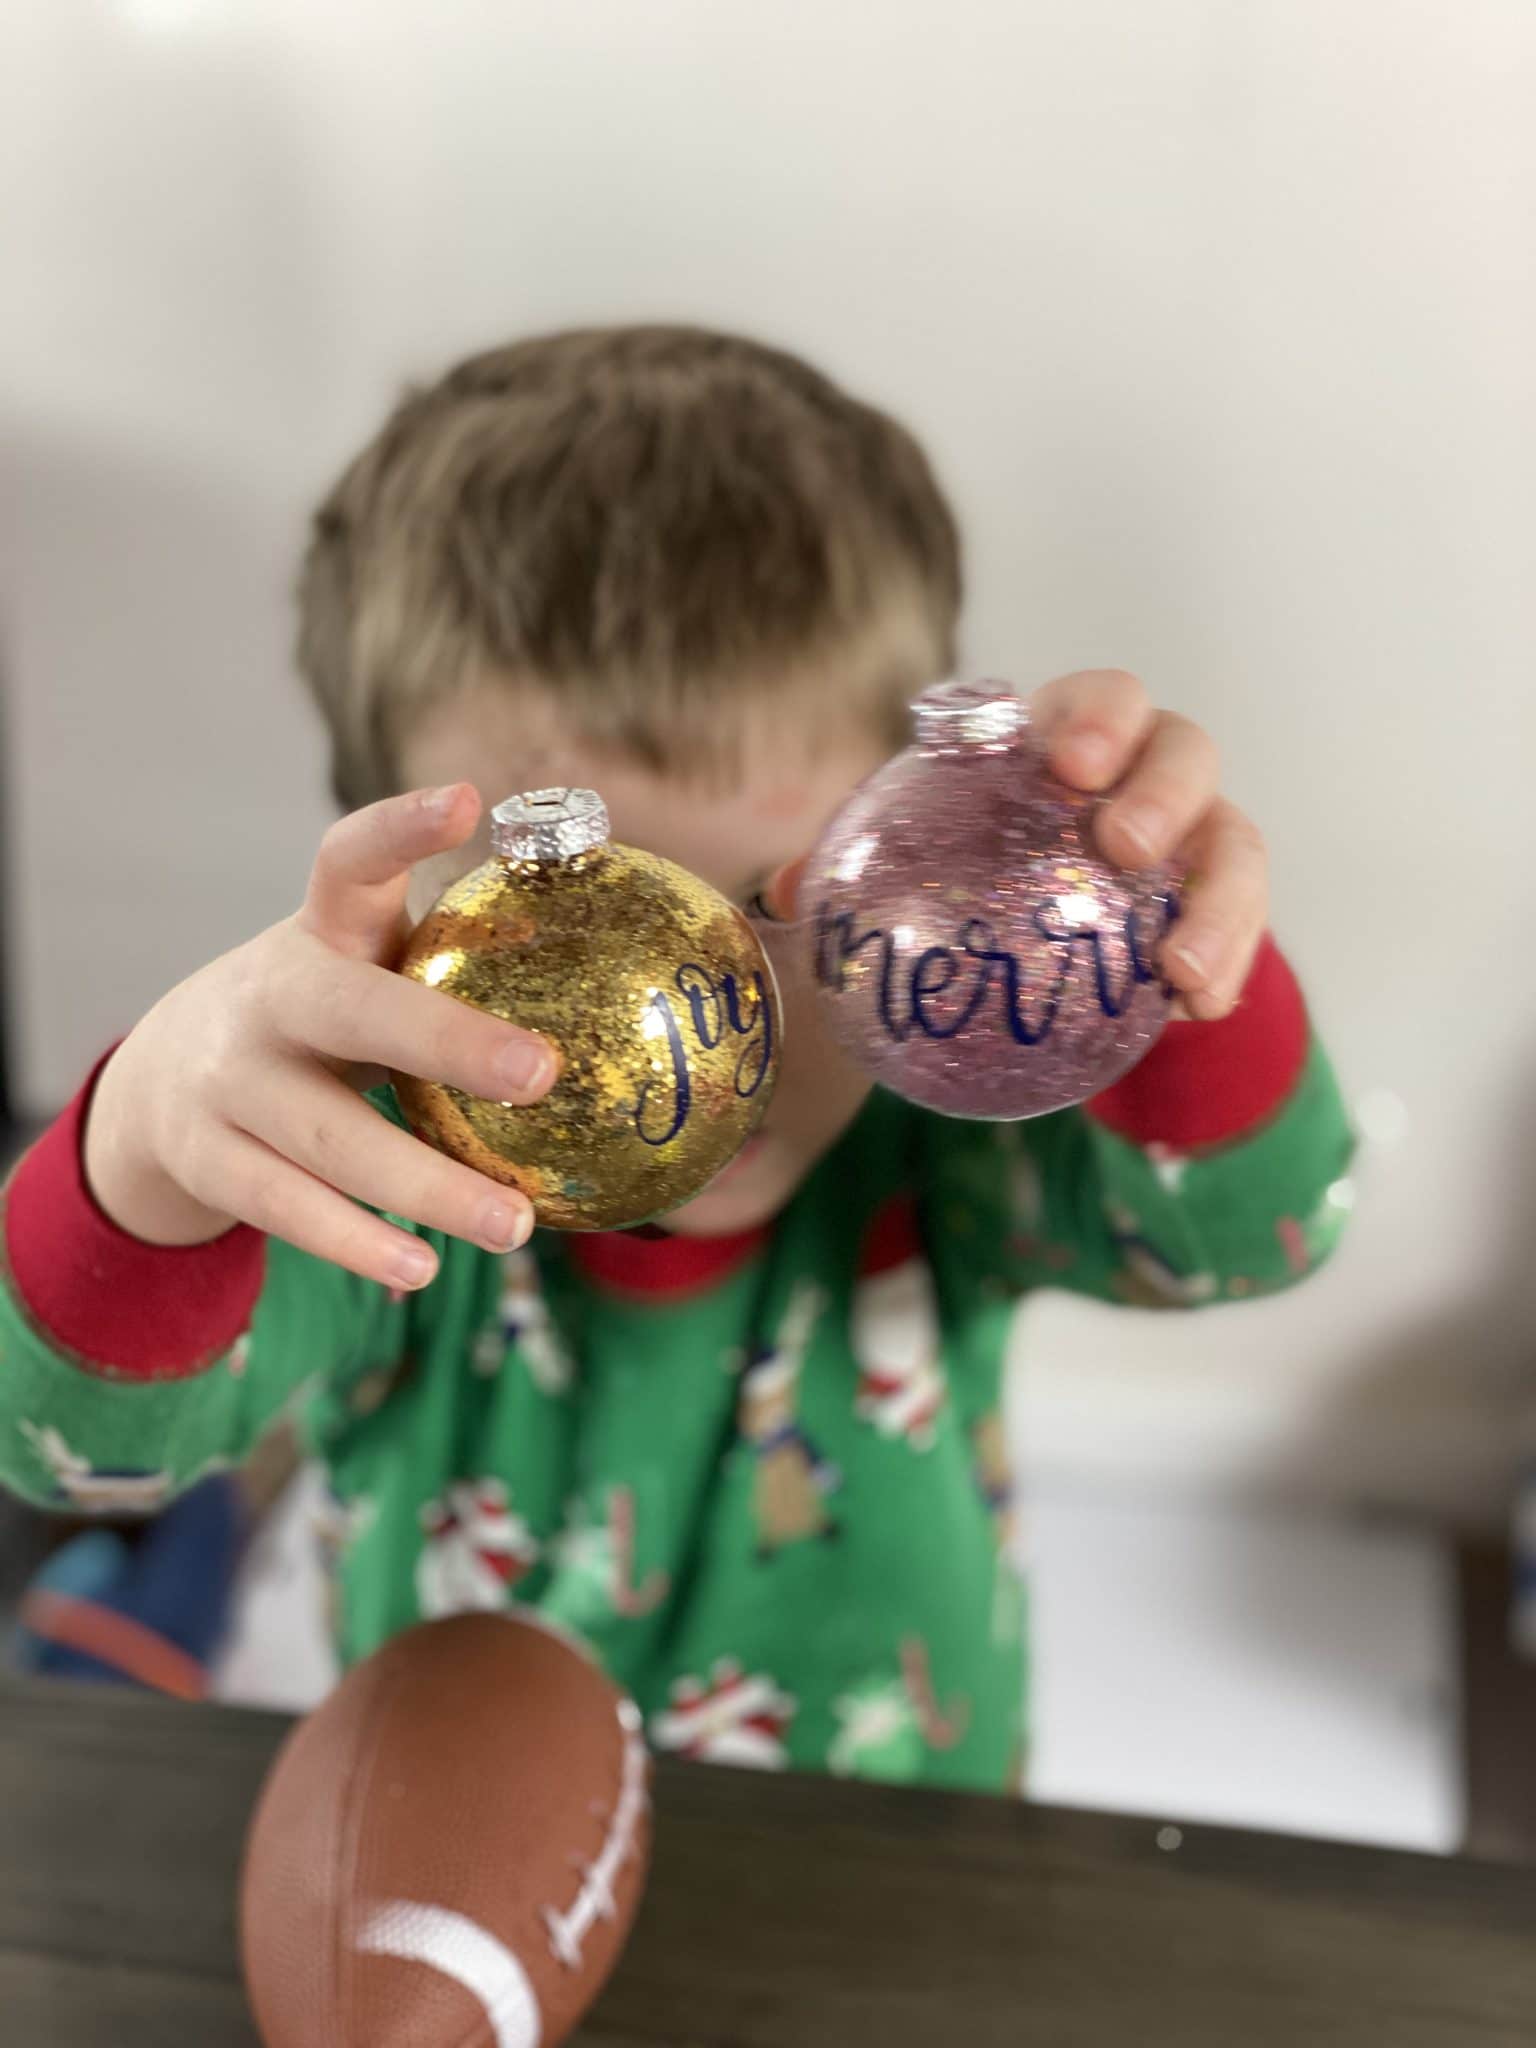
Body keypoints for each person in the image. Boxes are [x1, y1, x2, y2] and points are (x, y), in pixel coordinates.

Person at [0, 326, 1352, 1786]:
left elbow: (1248, 1240)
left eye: (781, 905)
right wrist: (140, 1155)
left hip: (910, 1847)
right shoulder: (371, 1175)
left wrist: (1146, 950)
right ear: (407, 913)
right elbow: (78, 1445)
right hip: (466, 1840)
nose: (696, 1048)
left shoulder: (947, 1118)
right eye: (558, 947)